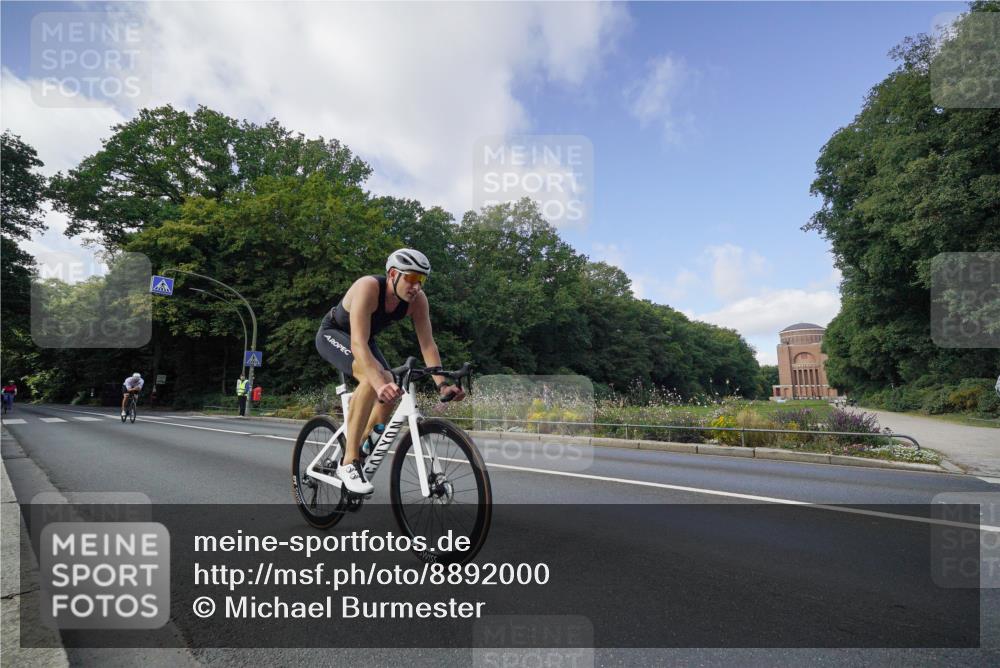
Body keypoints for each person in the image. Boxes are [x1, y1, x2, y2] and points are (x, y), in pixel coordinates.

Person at [315, 248, 465, 495]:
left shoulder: (418, 301)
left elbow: (427, 344)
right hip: (335, 333)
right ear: (393, 274)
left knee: (391, 385)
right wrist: (376, 381)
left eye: (422, 280)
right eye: (411, 278)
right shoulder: (368, 287)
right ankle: (349, 461)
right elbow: (358, 343)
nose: (416, 286)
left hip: (365, 339)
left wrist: (441, 384)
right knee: (371, 380)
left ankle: (363, 443)